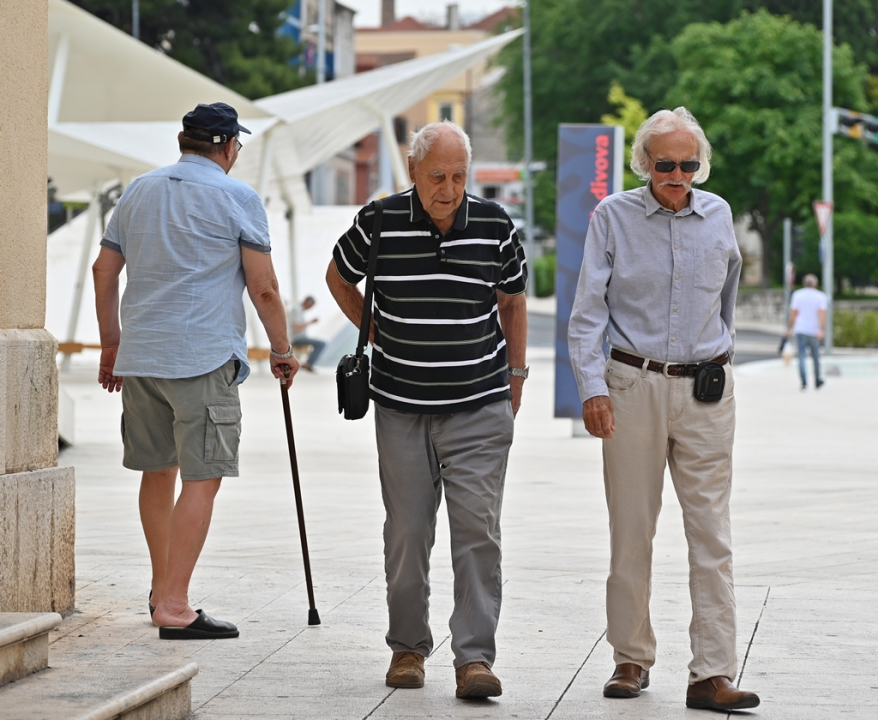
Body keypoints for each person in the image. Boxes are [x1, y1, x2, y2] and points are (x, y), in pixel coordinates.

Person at [326, 120, 528, 699]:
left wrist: (515, 376)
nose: (449, 187)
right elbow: (339, 277)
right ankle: (408, 648)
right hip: (402, 407)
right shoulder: (381, 220)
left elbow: (512, 300)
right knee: (408, 533)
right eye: (437, 175)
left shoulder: (492, 224)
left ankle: (474, 660)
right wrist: (378, 328)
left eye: (459, 176)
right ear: (413, 171)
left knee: (477, 534)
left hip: (479, 406)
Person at [567, 107, 760, 712]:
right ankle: (631, 657)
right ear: (644, 163)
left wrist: (716, 357)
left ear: (699, 164)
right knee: (631, 532)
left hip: (705, 391)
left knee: (712, 535)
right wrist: (593, 387)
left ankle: (712, 673)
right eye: (666, 163)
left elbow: (726, 301)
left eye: (688, 163)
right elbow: (587, 313)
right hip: (632, 387)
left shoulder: (720, 215)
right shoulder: (612, 217)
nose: (678, 174)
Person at [92, 102, 298, 640]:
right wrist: (282, 348)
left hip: (140, 358)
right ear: (228, 145)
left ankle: (163, 590)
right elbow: (265, 286)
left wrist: (111, 344)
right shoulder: (237, 197)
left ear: (185, 141)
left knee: (156, 471)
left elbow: (104, 269)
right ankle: (176, 605)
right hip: (201, 358)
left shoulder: (137, 191)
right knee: (202, 478)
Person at [786, 274, 827, 390]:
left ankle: (804, 382)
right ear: (815, 284)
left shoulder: (797, 295)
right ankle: (818, 380)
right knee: (816, 357)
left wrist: (790, 328)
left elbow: (794, 313)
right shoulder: (820, 296)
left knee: (802, 356)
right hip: (814, 331)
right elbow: (822, 314)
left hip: (800, 329)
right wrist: (822, 329)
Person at [290, 295, 326, 370]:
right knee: (321, 344)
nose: (309, 309)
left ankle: (308, 363)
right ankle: (308, 364)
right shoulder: (296, 310)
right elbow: (296, 327)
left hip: (301, 337)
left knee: (320, 343)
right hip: (296, 338)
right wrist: (311, 322)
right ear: (306, 302)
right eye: (309, 306)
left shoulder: (300, 310)